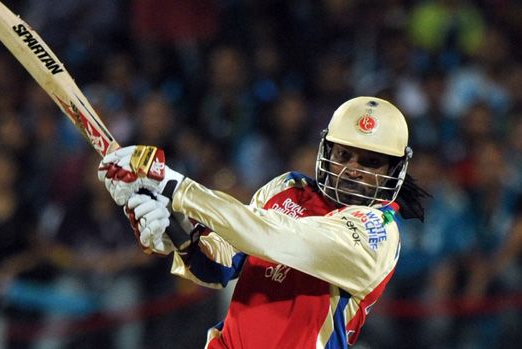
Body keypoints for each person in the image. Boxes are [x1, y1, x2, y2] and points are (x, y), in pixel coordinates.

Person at [97, 96, 428, 348]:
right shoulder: (288, 188)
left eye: (370, 162)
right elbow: (220, 265)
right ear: (326, 151)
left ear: (394, 171)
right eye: (343, 155)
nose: (352, 169)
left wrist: (173, 186)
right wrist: (176, 231)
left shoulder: (378, 232)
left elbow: (275, 238)